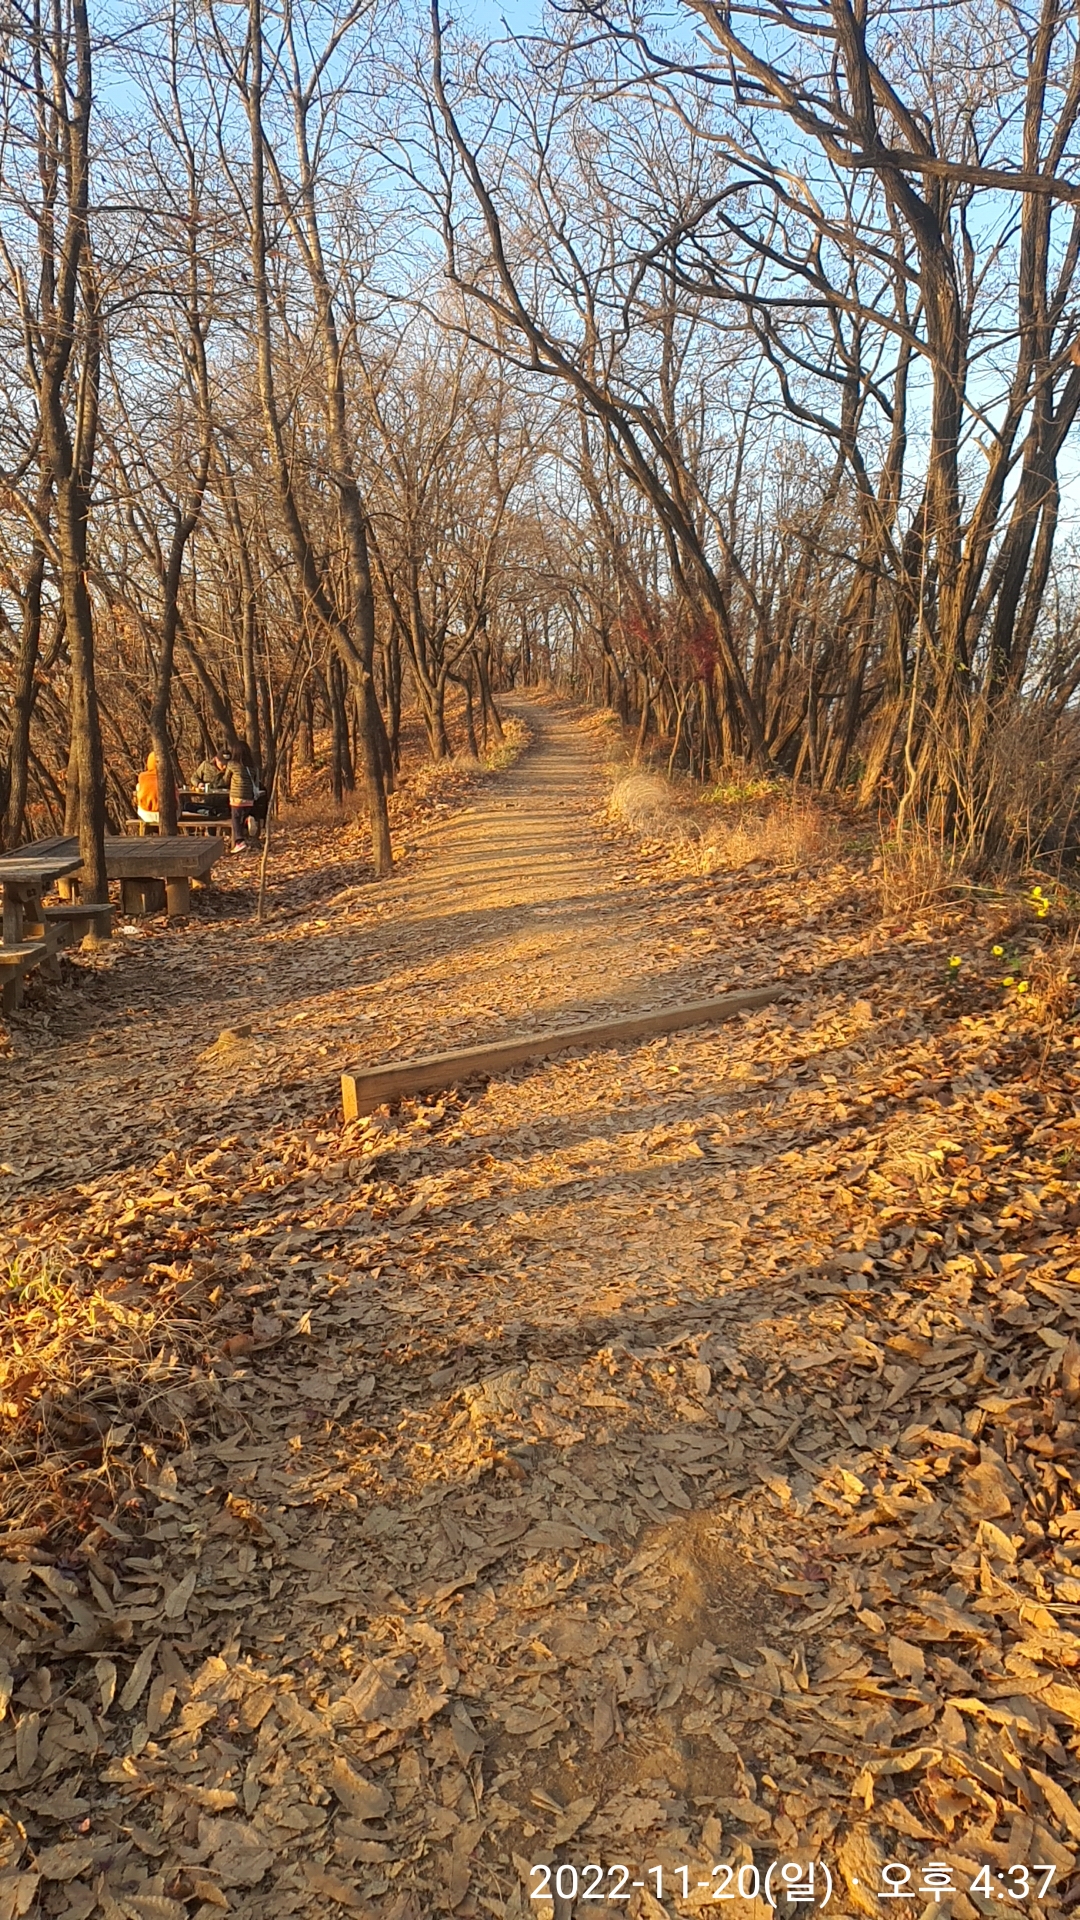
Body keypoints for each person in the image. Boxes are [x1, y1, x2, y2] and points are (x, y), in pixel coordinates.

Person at [225, 742, 255, 853]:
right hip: (249, 797)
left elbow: (225, 780)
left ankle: (239, 842)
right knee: (242, 817)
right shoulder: (251, 767)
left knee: (236, 819)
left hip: (237, 797)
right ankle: (248, 820)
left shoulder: (232, 764)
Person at [134, 751, 161, 828]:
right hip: (167, 816)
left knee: (138, 787)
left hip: (146, 815)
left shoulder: (142, 777)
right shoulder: (168, 775)